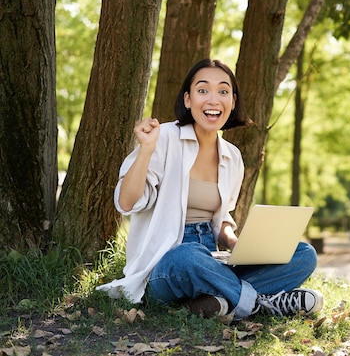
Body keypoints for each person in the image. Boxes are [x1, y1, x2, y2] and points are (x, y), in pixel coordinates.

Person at [97, 58, 323, 321]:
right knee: (188, 256)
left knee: (304, 254)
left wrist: (237, 244)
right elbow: (126, 203)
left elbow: (222, 216)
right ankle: (261, 303)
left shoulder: (232, 156)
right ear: (188, 100)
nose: (213, 99)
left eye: (223, 91)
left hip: (214, 260)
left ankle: (216, 302)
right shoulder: (164, 138)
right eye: (203, 90)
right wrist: (146, 150)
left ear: (233, 102)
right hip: (169, 266)